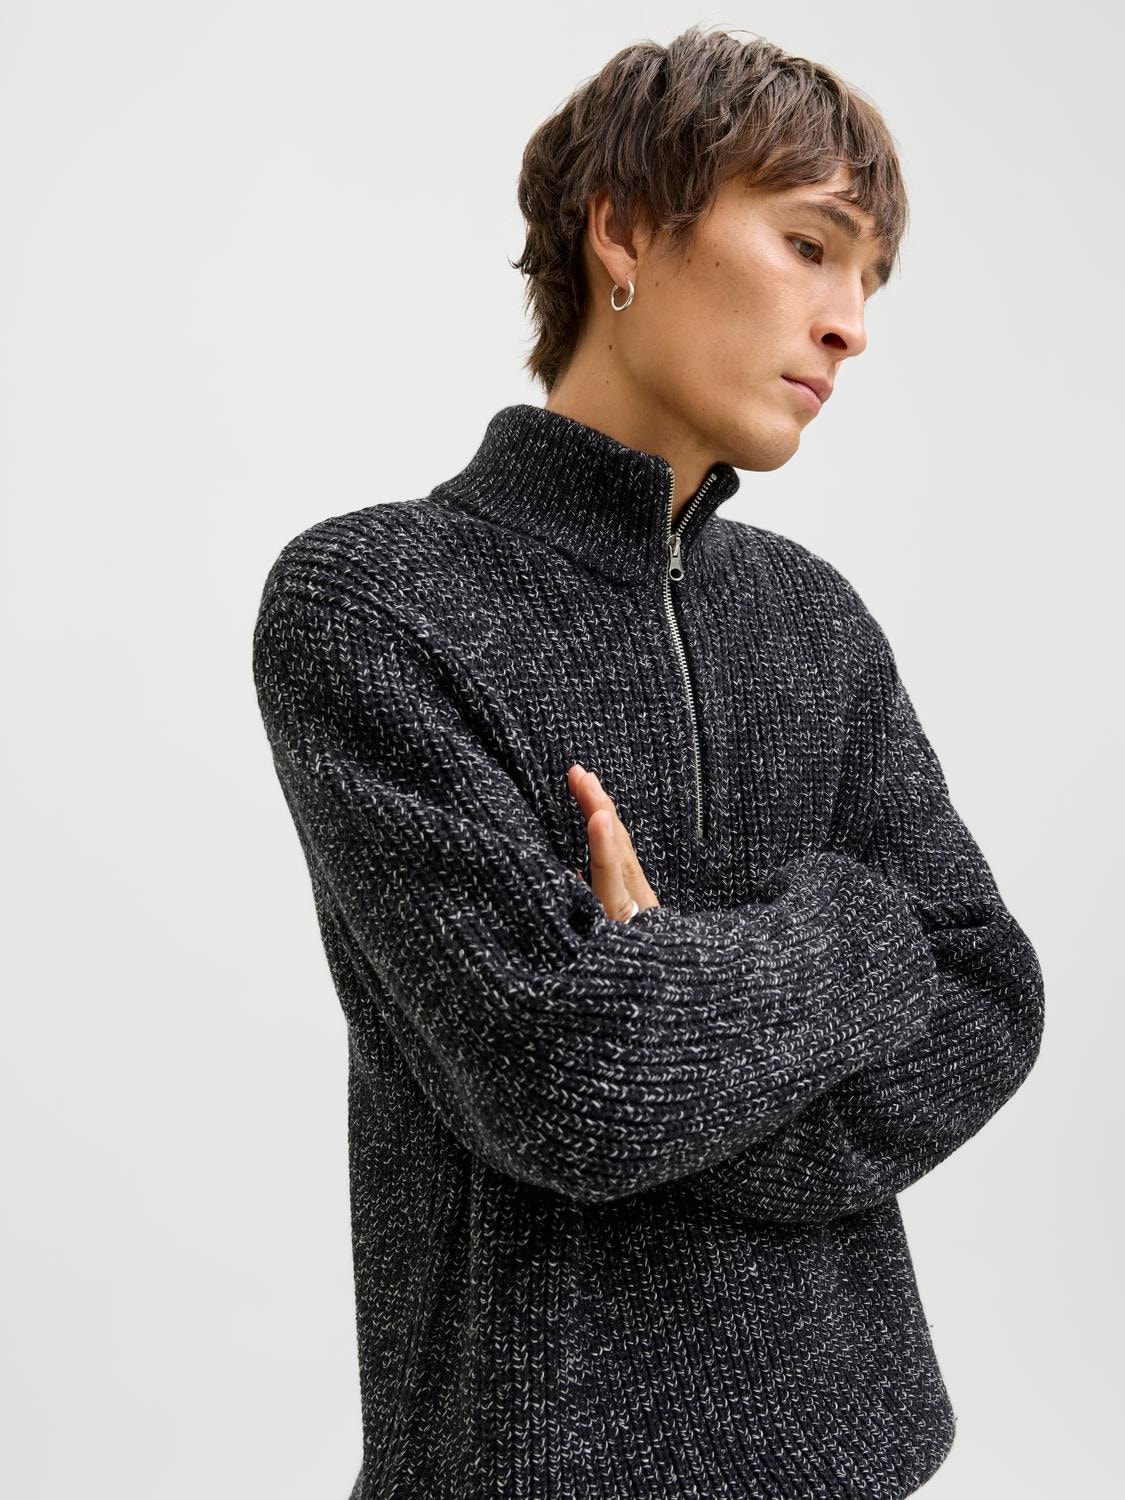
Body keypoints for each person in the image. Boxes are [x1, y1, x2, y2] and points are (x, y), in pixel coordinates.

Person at [252, 24, 1045, 1499]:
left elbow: (990, 995)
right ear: (621, 230)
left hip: (852, 1454)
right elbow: (570, 1083)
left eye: (870, 278)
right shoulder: (372, 604)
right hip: (529, 1463)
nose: (850, 324)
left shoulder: (812, 617)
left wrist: (676, 998)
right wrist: (861, 932)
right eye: (810, 245)